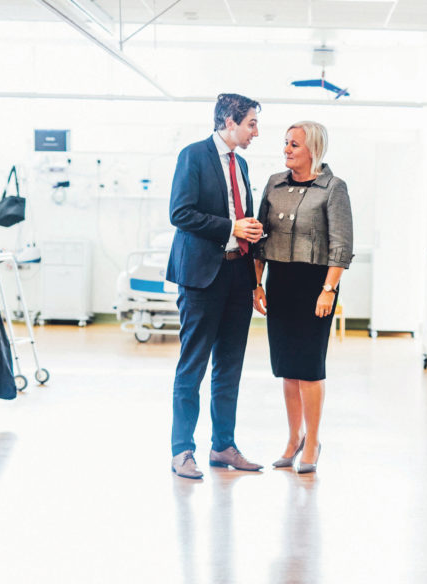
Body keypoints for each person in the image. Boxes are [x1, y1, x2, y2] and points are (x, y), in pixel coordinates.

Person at [167, 93, 265, 479]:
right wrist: (231, 227)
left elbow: (244, 214)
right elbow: (180, 212)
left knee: (230, 366)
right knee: (193, 367)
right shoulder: (193, 156)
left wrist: (251, 231)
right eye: (251, 123)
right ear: (229, 121)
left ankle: (223, 445)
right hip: (201, 278)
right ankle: (182, 450)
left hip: (237, 274)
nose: (256, 131)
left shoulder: (241, 164)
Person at [252, 121, 353, 474]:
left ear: (313, 149)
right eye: (286, 143)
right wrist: (257, 284)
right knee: (287, 369)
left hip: (315, 285)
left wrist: (328, 290)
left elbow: (341, 245)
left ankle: (313, 441)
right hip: (280, 280)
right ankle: (293, 438)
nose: (287, 149)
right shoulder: (274, 184)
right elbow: (260, 238)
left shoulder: (333, 188)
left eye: (294, 144)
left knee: (309, 368)